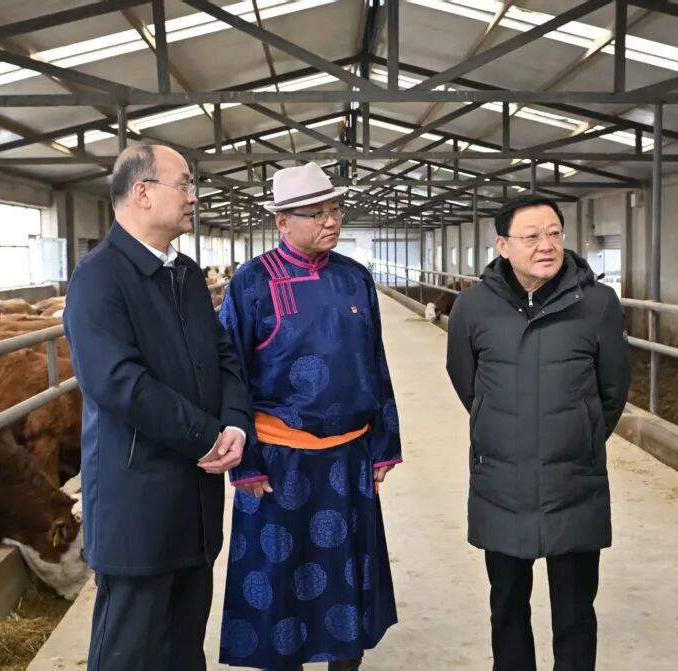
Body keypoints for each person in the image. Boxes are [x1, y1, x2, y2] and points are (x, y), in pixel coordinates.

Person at [63, 144, 252, 671]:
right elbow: (119, 383)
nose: (193, 197)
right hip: (138, 504)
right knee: (131, 651)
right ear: (143, 193)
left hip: (195, 502)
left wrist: (236, 424)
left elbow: (223, 355)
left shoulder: (185, 273)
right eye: (185, 184)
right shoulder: (99, 277)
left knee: (184, 647)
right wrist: (207, 436)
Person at [217, 163, 401, 671]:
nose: (331, 221)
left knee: (345, 577)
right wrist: (244, 462)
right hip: (280, 461)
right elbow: (229, 373)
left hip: (348, 457)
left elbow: (375, 363)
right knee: (280, 580)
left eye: (335, 209)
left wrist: (385, 445)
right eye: (315, 213)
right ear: (282, 222)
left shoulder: (355, 278)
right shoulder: (251, 282)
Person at [445, 194, 631, 671]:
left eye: (553, 234)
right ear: (503, 245)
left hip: (574, 482)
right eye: (531, 237)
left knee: (575, 610)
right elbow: (467, 381)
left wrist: (579, 434)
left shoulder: (598, 304)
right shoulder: (473, 306)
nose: (546, 245)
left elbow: (612, 390)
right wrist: (501, 427)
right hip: (501, 482)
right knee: (507, 604)